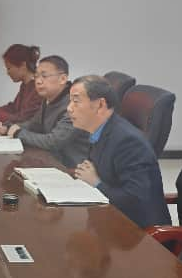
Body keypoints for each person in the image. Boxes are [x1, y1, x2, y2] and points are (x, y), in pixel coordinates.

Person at [68, 75, 170, 228]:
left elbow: (135, 198)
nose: (69, 108)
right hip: (110, 218)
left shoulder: (128, 142)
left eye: (76, 101)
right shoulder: (100, 131)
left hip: (138, 233)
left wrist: (96, 184)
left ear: (100, 105)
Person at [0, 55, 89, 167]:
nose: (38, 81)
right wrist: (7, 127)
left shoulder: (74, 104)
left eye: (44, 76)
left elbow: (54, 141)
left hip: (72, 169)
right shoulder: (49, 99)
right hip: (49, 162)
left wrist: (17, 133)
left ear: (63, 79)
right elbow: (33, 124)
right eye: (36, 76)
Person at [0, 44, 43, 123]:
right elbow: (13, 108)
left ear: (23, 65)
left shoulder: (39, 88)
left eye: (9, 68)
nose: (7, 73)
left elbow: (23, 118)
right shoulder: (25, 85)